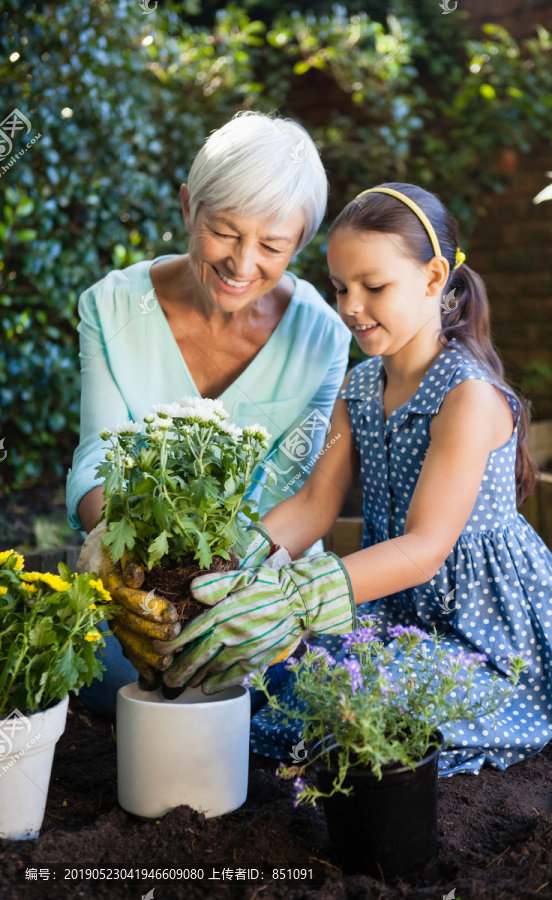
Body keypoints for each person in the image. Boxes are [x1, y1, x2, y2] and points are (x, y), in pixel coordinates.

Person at [152, 183, 552, 776]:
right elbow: (312, 505)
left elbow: (424, 548)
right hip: (397, 611)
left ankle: (547, 684)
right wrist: (231, 568)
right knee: (280, 674)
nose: (351, 306)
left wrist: (295, 598)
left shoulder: (468, 399)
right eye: (339, 288)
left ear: (435, 278)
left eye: (373, 287)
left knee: (356, 700)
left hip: (490, 633)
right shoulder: (359, 389)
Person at [68, 111, 351, 718]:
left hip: (260, 581)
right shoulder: (113, 305)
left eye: (273, 246)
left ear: (299, 245)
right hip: (144, 576)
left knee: (289, 690)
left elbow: (299, 489)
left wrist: (232, 602)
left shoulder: (323, 337)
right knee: (106, 673)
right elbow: (98, 453)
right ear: (187, 208)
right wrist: (117, 564)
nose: (243, 264)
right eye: (224, 231)